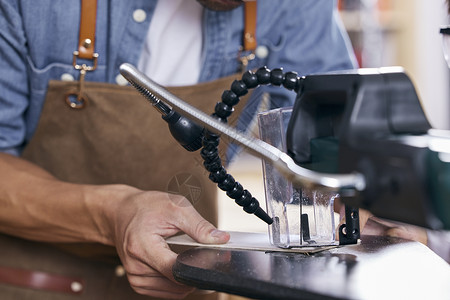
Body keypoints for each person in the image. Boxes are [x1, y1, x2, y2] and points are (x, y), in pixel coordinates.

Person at [0, 0, 357, 299]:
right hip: (39, 281)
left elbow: (337, 126)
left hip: (186, 285)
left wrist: (375, 194)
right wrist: (113, 214)